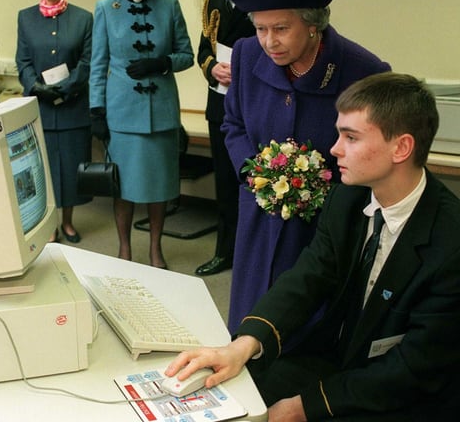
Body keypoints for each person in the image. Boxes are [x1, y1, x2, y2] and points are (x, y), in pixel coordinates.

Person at [166, 72, 460, 421]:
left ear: (401, 148)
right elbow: (308, 277)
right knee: (238, 387)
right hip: (339, 357)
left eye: (350, 137)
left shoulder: (451, 241)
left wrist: (304, 407)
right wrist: (241, 346)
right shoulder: (347, 197)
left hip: (407, 391)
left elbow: (414, 367)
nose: (334, 149)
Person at [219, 0, 391, 332]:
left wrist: (325, 192)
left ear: (314, 24)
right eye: (260, 28)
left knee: (307, 322)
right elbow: (232, 124)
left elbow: (376, 153)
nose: (269, 42)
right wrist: (255, 173)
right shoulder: (247, 55)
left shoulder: (363, 71)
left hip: (324, 224)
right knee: (250, 313)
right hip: (260, 210)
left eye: (281, 28)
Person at [89, 0, 194, 268]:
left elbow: (187, 55)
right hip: (122, 114)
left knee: (160, 186)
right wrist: (96, 110)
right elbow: (97, 63)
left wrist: (161, 63)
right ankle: (124, 249)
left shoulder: (169, 4)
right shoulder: (106, 8)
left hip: (161, 112)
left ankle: (155, 249)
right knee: (124, 188)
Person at [16, 0, 93, 243]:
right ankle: (48, 225)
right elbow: (22, 61)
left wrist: (66, 87)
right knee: (42, 170)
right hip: (39, 109)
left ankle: (68, 222)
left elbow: (87, 62)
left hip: (73, 107)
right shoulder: (25, 17)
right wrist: (36, 87)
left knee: (71, 168)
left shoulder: (84, 18)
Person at [194, 0, 257, 277]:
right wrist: (210, 68)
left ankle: (254, 254)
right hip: (219, 102)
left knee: (253, 181)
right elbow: (203, 46)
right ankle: (225, 251)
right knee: (224, 183)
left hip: (253, 105)